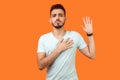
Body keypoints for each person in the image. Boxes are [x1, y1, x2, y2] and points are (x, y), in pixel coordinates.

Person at [37, 4, 96, 80]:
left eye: (60, 15)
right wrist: (58, 50)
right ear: (50, 20)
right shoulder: (43, 38)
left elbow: (92, 55)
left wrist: (90, 34)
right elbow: (40, 66)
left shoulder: (75, 36)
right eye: (54, 15)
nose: (57, 18)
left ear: (65, 18)